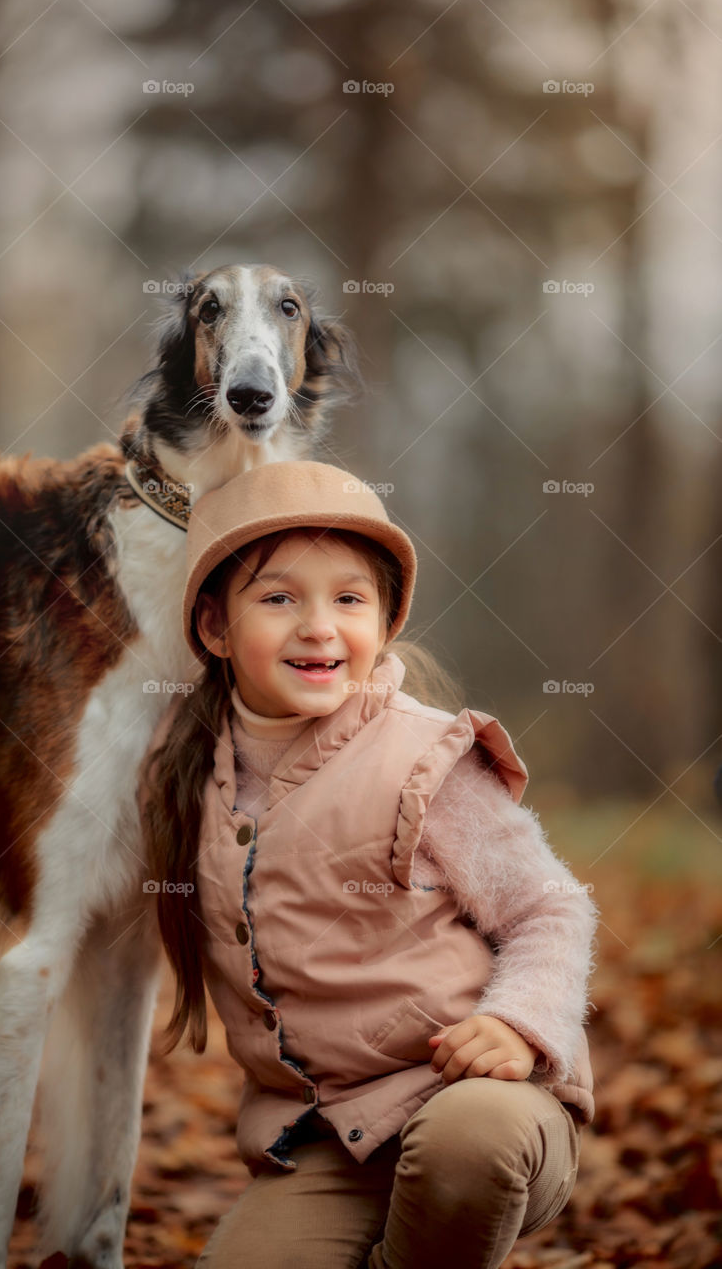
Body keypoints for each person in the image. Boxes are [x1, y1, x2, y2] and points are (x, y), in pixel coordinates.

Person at [138, 460, 599, 1269]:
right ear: (213, 628)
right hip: (328, 1139)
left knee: (468, 1146)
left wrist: (518, 1025)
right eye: (278, 598)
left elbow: (549, 909)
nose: (318, 626)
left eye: (349, 599)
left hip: (478, 1102)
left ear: (384, 623)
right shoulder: (179, 766)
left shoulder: (423, 758)